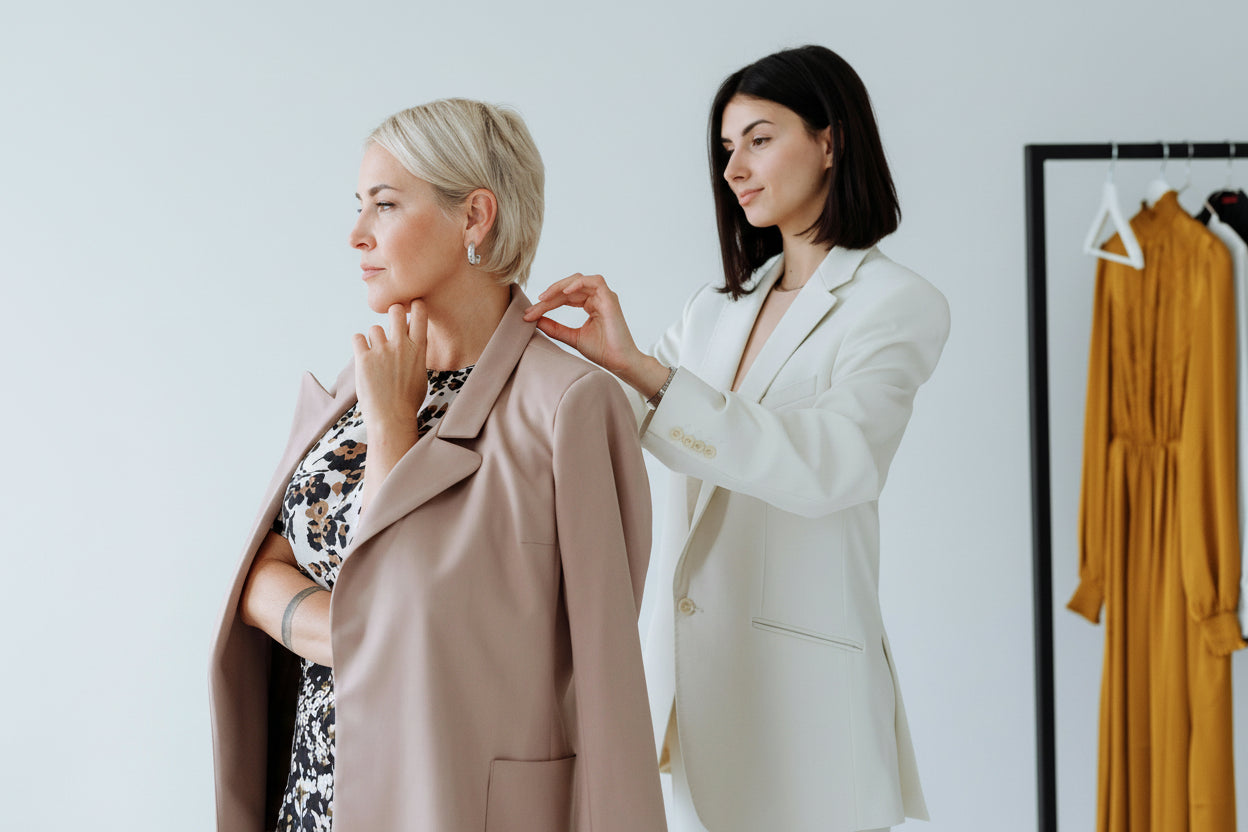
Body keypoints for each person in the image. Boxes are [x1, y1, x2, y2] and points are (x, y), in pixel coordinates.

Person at [208, 98, 667, 832]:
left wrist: (394, 436)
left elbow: (608, 687)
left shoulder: (568, 406)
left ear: (474, 217)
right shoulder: (362, 379)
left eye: (384, 206)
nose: (356, 235)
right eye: (358, 206)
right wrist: (330, 627)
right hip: (316, 803)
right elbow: (259, 569)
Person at [524, 46, 950, 832]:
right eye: (727, 149)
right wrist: (531, 351)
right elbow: (636, 427)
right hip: (689, 693)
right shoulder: (717, 308)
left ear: (831, 140)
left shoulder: (896, 304)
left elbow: (834, 465)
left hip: (805, 706)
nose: (734, 169)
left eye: (759, 138)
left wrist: (646, 373)